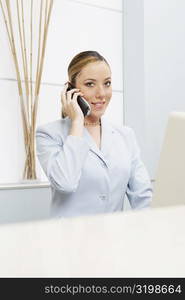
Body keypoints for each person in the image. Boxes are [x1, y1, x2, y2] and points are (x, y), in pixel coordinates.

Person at [36, 50, 152, 218]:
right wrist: (77, 122)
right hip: (68, 241)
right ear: (71, 89)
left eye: (107, 83)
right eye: (90, 84)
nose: (102, 93)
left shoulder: (125, 135)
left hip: (113, 240)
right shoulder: (49, 134)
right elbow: (65, 183)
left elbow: (143, 198)